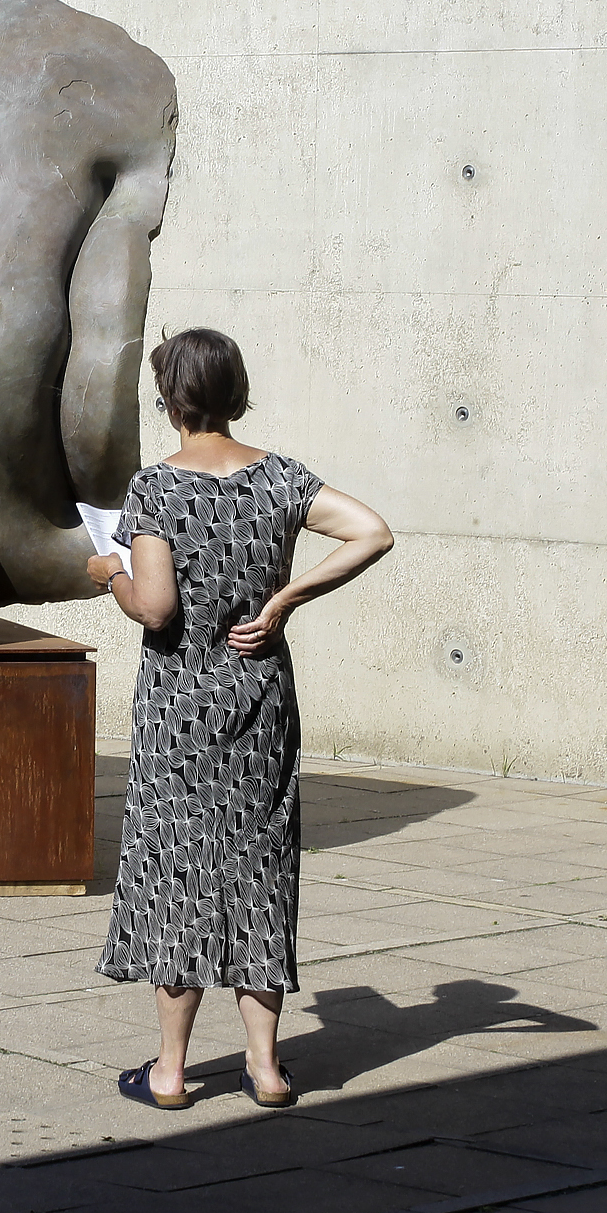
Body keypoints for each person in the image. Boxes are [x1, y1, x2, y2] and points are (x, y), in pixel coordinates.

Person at [86, 327, 392, 1109]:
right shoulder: (281, 477)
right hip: (259, 702)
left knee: (175, 870)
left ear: (171, 402)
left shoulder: (156, 487)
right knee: (259, 866)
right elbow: (372, 531)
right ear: (237, 391)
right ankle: (265, 1067)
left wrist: (110, 573)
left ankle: (170, 1071)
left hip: (179, 707)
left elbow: (155, 607)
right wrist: (286, 597)